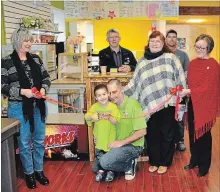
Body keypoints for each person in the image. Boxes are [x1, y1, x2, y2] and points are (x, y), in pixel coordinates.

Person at [124, 31, 186, 174]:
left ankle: (164, 162)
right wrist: (121, 92)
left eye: (158, 41)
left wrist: (181, 93)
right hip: (149, 104)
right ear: (148, 43)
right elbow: (135, 83)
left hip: (167, 103)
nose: (155, 44)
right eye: (152, 41)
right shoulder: (141, 61)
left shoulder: (171, 58)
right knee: (152, 134)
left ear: (163, 43)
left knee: (167, 134)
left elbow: (180, 76)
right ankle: (154, 161)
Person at [1, 28, 51, 189]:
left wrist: (43, 89)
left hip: (39, 106)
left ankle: (39, 170)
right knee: (23, 142)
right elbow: (3, 86)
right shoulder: (6, 61)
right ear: (17, 41)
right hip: (18, 107)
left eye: (30, 40)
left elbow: (46, 78)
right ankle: (29, 173)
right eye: (26, 40)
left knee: (38, 140)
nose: (29, 43)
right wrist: (23, 92)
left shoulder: (36, 59)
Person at [180, 34, 220, 177]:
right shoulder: (193, 63)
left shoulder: (214, 65)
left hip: (205, 106)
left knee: (203, 135)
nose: (199, 49)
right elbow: (190, 82)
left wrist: (189, 91)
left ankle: (204, 165)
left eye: (202, 47)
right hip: (192, 103)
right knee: (192, 134)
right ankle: (194, 159)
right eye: (197, 46)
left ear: (209, 48)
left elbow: (209, 87)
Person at [98, 79, 146, 181]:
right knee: (96, 166)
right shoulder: (111, 107)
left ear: (122, 89)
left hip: (133, 146)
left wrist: (121, 142)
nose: (111, 96)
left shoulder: (134, 105)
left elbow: (142, 131)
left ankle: (129, 166)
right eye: (109, 93)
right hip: (117, 145)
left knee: (104, 162)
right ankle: (125, 162)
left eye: (114, 92)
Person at [85, 84, 120, 182]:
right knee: (99, 158)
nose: (102, 97)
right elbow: (87, 116)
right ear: (96, 97)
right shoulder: (94, 107)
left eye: (104, 94)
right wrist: (92, 117)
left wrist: (109, 117)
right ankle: (100, 171)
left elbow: (116, 121)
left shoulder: (113, 107)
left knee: (110, 157)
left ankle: (110, 171)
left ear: (108, 94)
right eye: (99, 95)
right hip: (100, 139)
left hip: (111, 138)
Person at [166, 29, 190, 151]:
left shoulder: (183, 55)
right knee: (168, 117)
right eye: (169, 36)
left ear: (176, 39)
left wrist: (185, 91)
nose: (171, 39)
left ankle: (180, 140)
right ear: (166, 39)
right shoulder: (162, 54)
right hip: (166, 94)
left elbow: (187, 73)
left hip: (180, 92)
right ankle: (168, 141)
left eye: (174, 37)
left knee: (179, 116)